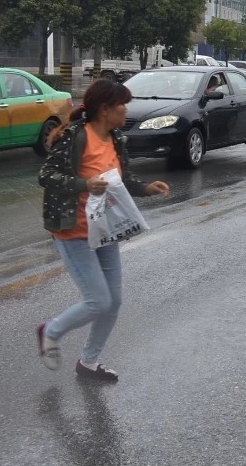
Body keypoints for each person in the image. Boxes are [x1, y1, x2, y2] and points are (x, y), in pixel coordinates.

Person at [37, 80, 170, 382]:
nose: (126, 109)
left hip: (104, 229)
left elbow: (121, 178)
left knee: (114, 300)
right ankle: (50, 331)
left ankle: (89, 362)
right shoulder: (75, 137)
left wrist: (146, 188)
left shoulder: (116, 139)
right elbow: (47, 176)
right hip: (73, 231)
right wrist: (84, 184)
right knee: (98, 300)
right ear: (105, 109)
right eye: (122, 104)